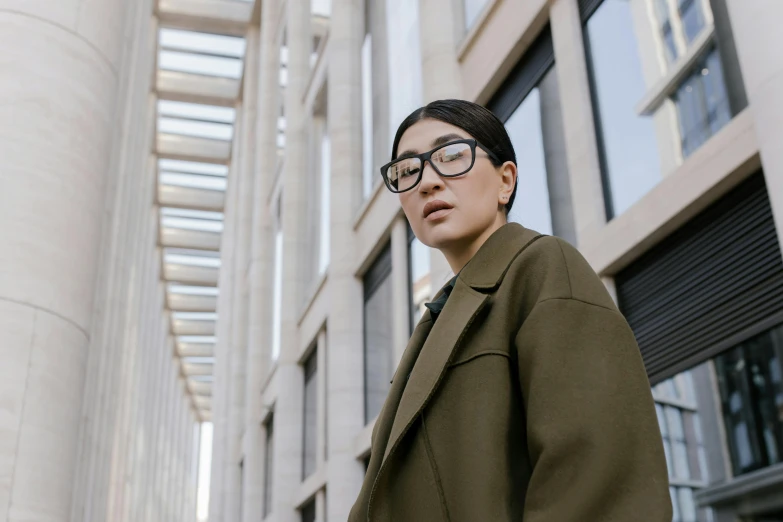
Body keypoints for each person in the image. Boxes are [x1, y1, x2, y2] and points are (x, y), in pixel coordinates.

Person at [348, 99, 672, 522]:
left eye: (450, 157)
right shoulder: (436, 317)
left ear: (506, 181)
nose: (427, 182)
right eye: (407, 171)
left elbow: (599, 487)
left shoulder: (543, 269)